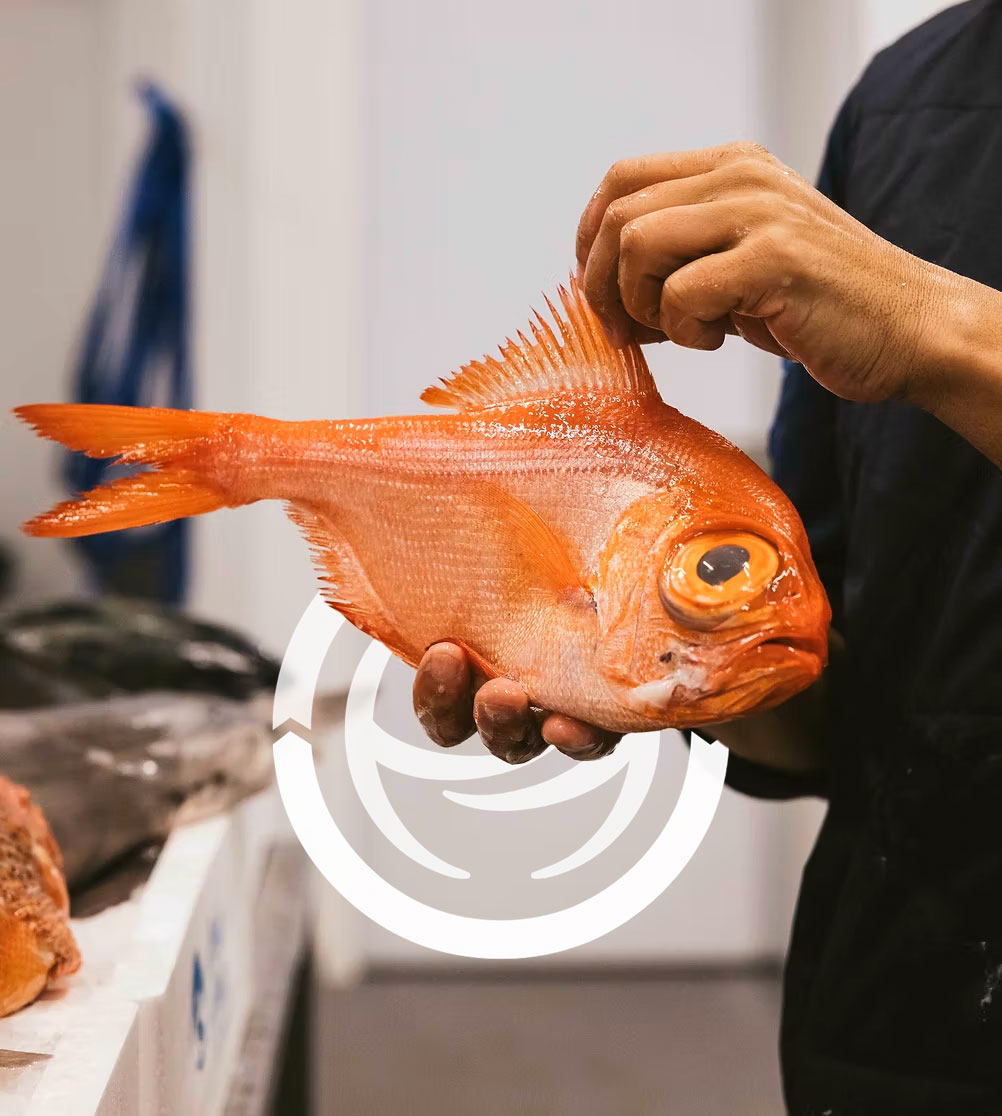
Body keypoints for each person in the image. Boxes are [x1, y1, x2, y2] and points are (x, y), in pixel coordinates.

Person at [412, 3, 1002, 1112]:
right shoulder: (903, 98)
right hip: (889, 1029)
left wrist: (939, 330)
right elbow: (843, 694)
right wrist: (672, 668)